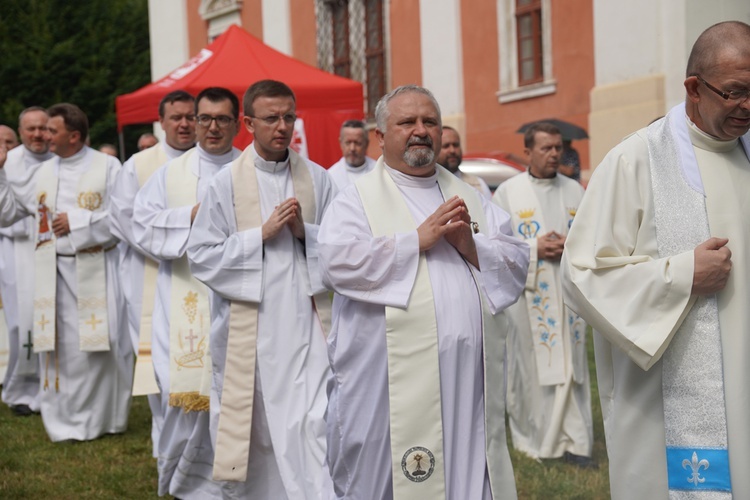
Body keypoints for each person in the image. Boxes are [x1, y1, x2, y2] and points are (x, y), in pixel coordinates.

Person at [561, 21, 750, 498]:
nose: (748, 107)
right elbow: (582, 275)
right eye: (735, 93)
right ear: (693, 88)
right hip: (667, 409)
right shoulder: (636, 161)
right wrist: (683, 274)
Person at [318, 84, 529, 499]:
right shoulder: (355, 199)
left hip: (466, 380)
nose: (420, 130)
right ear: (380, 136)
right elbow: (336, 262)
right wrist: (415, 240)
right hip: (386, 385)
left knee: (464, 468)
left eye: (429, 121)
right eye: (407, 122)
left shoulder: (471, 195)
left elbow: (516, 262)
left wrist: (470, 244)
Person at [187, 80, 334, 498]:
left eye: (289, 116)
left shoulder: (319, 179)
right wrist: (260, 234)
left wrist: (305, 232)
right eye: (272, 118)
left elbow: (344, 246)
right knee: (260, 428)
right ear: (249, 123)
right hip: (250, 331)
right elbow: (201, 255)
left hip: (308, 327)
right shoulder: (223, 184)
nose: (283, 126)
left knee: (313, 421)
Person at [133, 87, 241, 499]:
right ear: (194, 121)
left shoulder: (250, 168)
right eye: (205, 118)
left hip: (237, 298)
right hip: (184, 301)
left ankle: (231, 481)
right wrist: (191, 215)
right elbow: (142, 227)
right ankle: (184, 482)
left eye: (222, 119)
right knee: (184, 396)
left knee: (234, 396)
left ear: (237, 123)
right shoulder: (169, 175)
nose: (213, 127)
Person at [0, 103, 131, 442]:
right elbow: (9, 212)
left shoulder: (108, 166)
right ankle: (64, 422)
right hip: (53, 274)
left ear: (73, 135)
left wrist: (79, 221)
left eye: (51, 130)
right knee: (62, 349)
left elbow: (125, 217)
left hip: (97, 270)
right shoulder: (43, 172)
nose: (44, 136)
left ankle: (104, 420)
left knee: (100, 349)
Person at [492, 122, 591, 464]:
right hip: (528, 291)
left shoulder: (575, 191)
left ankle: (575, 442)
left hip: (567, 290)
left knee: (572, 365)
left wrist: (571, 244)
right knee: (533, 366)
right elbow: (497, 244)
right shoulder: (507, 192)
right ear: (528, 152)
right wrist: (534, 247)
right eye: (546, 148)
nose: (554, 154)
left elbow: (590, 235)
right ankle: (538, 440)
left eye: (557, 148)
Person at [109, 89, 196, 458]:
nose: (184, 123)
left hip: (201, 278)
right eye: (175, 117)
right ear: (161, 122)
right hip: (149, 275)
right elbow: (124, 221)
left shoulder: (217, 161)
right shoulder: (140, 165)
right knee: (159, 364)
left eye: (190, 116)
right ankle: (167, 445)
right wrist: (173, 248)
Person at [0, 107, 53, 417]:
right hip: (16, 249)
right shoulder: (10, 162)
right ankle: (21, 389)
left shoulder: (59, 160)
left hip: (53, 250)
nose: (37, 134)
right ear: (21, 133)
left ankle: (51, 387)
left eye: (42, 128)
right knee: (23, 323)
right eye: (30, 128)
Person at [437, 125, 492, 198]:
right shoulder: (430, 185)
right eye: (446, 146)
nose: (452, 150)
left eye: (456, 145)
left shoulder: (477, 184)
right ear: (435, 149)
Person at [327, 119, 376, 191]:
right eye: (348, 143)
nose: (352, 148)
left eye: (357, 143)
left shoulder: (378, 171)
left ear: (366, 144)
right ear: (341, 143)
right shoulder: (331, 176)